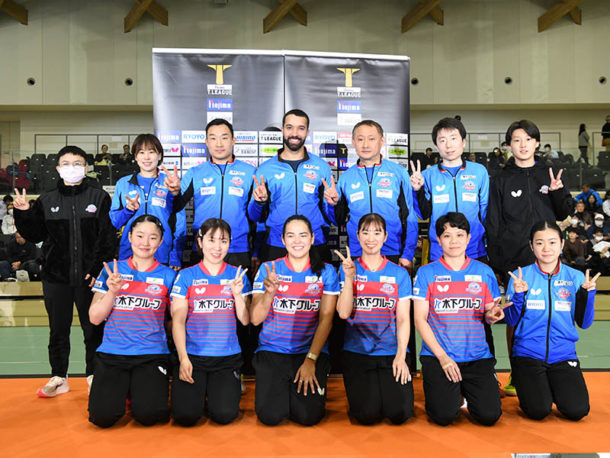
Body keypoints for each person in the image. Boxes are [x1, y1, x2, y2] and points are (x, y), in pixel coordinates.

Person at [13, 145, 116, 397]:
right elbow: (35, 234)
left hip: (90, 278)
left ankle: (94, 374)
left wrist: (96, 269)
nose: (72, 168)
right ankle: (59, 377)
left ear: (86, 168)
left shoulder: (99, 197)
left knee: (93, 328)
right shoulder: (46, 200)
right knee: (58, 329)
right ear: (58, 169)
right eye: (66, 164)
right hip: (55, 277)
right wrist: (23, 213)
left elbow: (107, 238)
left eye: (78, 163)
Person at [486, 120, 574, 396]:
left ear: (536, 143)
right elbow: (493, 223)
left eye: (528, 139)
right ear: (509, 145)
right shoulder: (500, 179)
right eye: (516, 140)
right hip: (515, 262)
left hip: (547, 259)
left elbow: (564, 212)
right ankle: (517, 374)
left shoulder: (549, 174)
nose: (522, 145)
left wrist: (557, 191)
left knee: (548, 312)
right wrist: (498, 264)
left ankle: (552, 369)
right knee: (516, 317)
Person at [412, 212, 504, 426]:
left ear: (469, 238)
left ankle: (467, 389)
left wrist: (492, 316)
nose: (454, 241)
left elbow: (489, 314)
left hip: (476, 356)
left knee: (489, 416)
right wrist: (443, 357)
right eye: (447, 235)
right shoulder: (426, 273)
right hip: (439, 356)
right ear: (438, 239)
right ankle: (452, 392)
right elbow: (420, 319)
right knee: (443, 416)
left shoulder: (484, 272)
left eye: (459, 235)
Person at [88, 215, 177, 427]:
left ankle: (138, 389)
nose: (145, 243)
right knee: (102, 418)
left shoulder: (169, 276)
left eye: (153, 237)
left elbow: (176, 320)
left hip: (151, 354)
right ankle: (125, 389)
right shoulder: (111, 271)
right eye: (139, 236)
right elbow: (95, 318)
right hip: (113, 353)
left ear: (161, 241)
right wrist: (112, 291)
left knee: (148, 416)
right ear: (129, 237)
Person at [505, 220, 599, 421]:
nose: (546, 248)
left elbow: (584, 324)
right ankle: (530, 384)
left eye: (552, 242)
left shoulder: (576, 277)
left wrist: (588, 295)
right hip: (528, 354)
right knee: (538, 410)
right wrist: (518, 295)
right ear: (531, 246)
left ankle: (553, 386)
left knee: (577, 411)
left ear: (562, 244)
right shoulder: (520, 277)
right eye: (539, 243)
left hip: (563, 355)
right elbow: (511, 320)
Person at [250, 215, 339, 426]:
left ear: (312, 238)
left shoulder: (326, 272)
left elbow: (326, 319)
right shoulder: (269, 269)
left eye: (303, 235)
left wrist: (311, 360)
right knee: (270, 416)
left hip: (309, 351)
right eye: (291, 236)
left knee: (308, 417)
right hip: (272, 350)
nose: (297, 241)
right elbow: (255, 319)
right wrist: (269, 294)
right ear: (282, 240)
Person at [170, 218, 251, 426]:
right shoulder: (186, 276)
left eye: (223, 241)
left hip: (226, 358)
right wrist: (183, 358)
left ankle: (215, 391)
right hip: (193, 357)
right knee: (186, 417)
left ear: (230, 243)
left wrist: (238, 295)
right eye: (211, 240)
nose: (217, 247)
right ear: (200, 242)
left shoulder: (237, 275)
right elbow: (178, 320)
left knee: (224, 415)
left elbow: (245, 320)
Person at [335, 213, 413, 425]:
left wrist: (401, 356)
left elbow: (403, 319)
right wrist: (349, 278)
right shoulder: (347, 269)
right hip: (357, 353)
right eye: (366, 232)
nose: (371, 238)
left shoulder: (399, 274)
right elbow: (343, 313)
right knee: (367, 416)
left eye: (377, 233)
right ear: (357, 236)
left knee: (399, 414)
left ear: (385, 237)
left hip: (391, 352)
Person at [327, 119, 418, 271]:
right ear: (353, 142)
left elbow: (410, 217)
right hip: (358, 253)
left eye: (371, 139)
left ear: (382, 141)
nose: (365, 145)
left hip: (392, 252)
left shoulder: (399, 173)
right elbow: (337, 220)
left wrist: (408, 254)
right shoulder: (346, 178)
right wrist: (332, 205)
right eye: (360, 139)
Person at [166, 119, 255, 269]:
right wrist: (173, 194)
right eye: (213, 138)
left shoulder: (250, 172)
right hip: (203, 249)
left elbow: (257, 217)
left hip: (237, 250)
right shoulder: (194, 173)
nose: (219, 144)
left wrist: (256, 252)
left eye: (224, 138)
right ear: (207, 142)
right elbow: (175, 209)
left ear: (233, 140)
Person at [248, 109, 334, 263]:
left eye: (300, 128)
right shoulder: (265, 169)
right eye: (289, 127)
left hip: (315, 243)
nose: (294, 133)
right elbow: (255, 217)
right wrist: (259, 202)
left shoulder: (322, 167)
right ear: (282, 130)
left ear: (307, 132)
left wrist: (333, 204)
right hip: (275, 244)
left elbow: (332, 217)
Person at [410, 117, 489, 262]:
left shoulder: (479, 172)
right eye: (442, 140)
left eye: (453, 138)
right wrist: (417, 190)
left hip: (474, 250)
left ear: (463, 142)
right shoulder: (427, 175)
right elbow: (423, 213)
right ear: (436, 146)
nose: (448, 145)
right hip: (440, 252)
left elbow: (485, 212)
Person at [110, 134, 184, 269]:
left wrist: (175, 256)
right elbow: (115, 222)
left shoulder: (170, 183)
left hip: (162, 254)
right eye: (141, 152)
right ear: (135, 156)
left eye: (151, 152)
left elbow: (180, 224)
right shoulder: (123, 184)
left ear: (159, 155)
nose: (147, 157)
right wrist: (128, 210)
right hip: (129, 255)